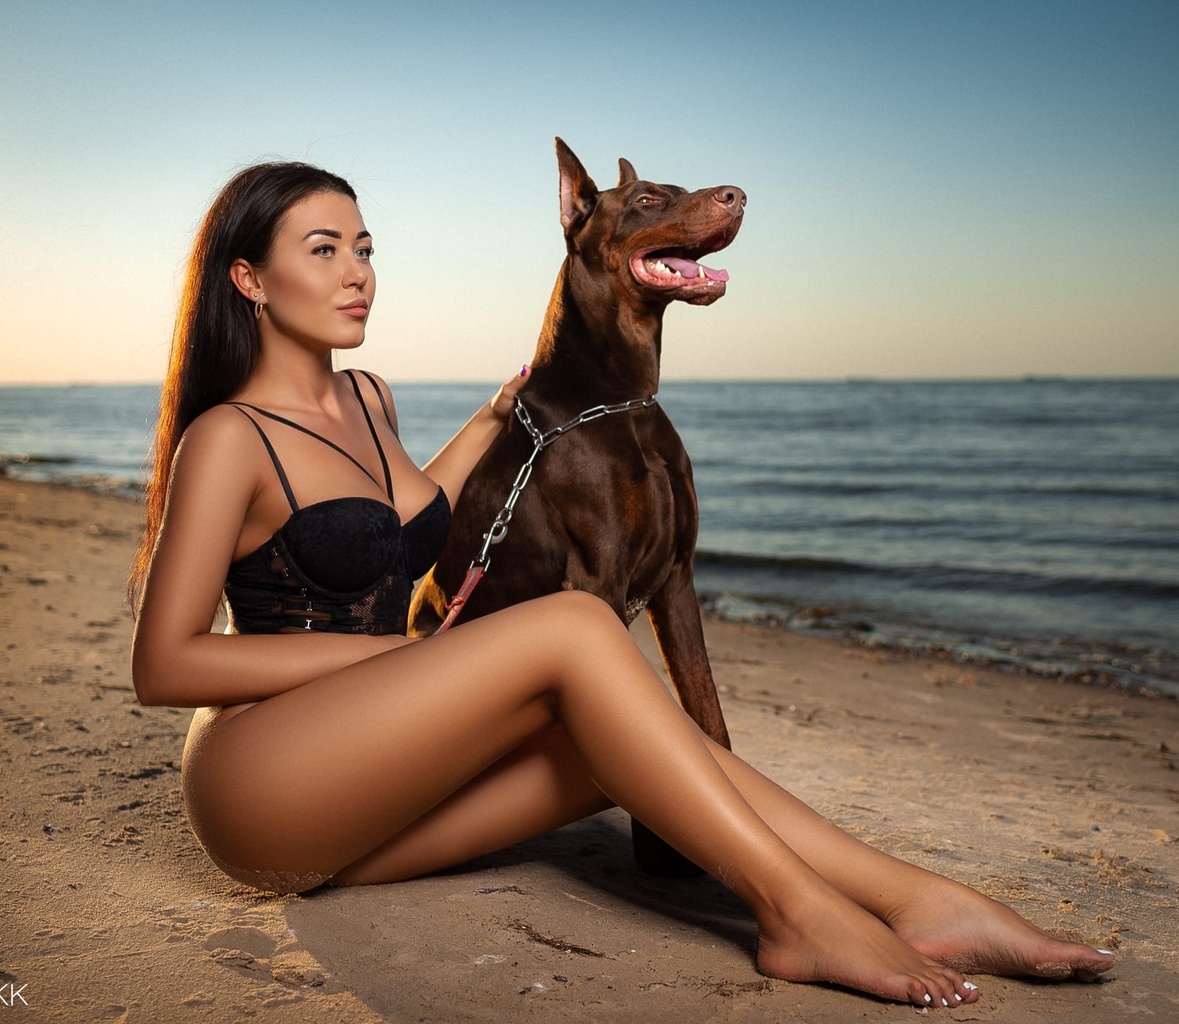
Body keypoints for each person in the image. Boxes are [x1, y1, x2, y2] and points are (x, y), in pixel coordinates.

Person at [129, 160, 1115, 1010]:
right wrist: (393, 653)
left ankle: (916, 899)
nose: (356, 273)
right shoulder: (228, 439)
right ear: (249, 278)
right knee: (572, 625)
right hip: (264, 789)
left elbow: (398, 520)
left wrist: (491, 415)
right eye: (322, 250)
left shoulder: (364, 397)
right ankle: (796, 913)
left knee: (616, 736)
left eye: (365, 246)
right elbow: (165, 663)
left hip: (367, 789)